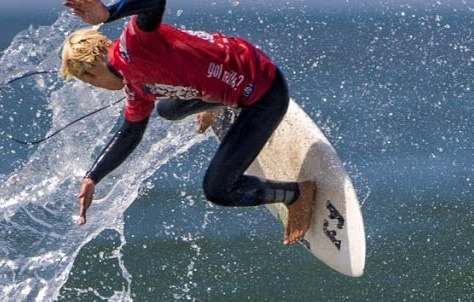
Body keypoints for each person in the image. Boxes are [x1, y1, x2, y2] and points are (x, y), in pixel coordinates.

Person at [60, 0, 315, 244]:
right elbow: (130, 133)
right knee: (167, 110)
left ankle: (296, 194)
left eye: (87, 81)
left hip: (263, 91)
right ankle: (219, 103)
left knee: (218, 189)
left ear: (89, 74)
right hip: (242, 59)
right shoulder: (136, 89)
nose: (96, 86)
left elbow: (154, 1)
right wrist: (93, 177)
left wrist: (109, 13)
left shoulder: (135, 43)